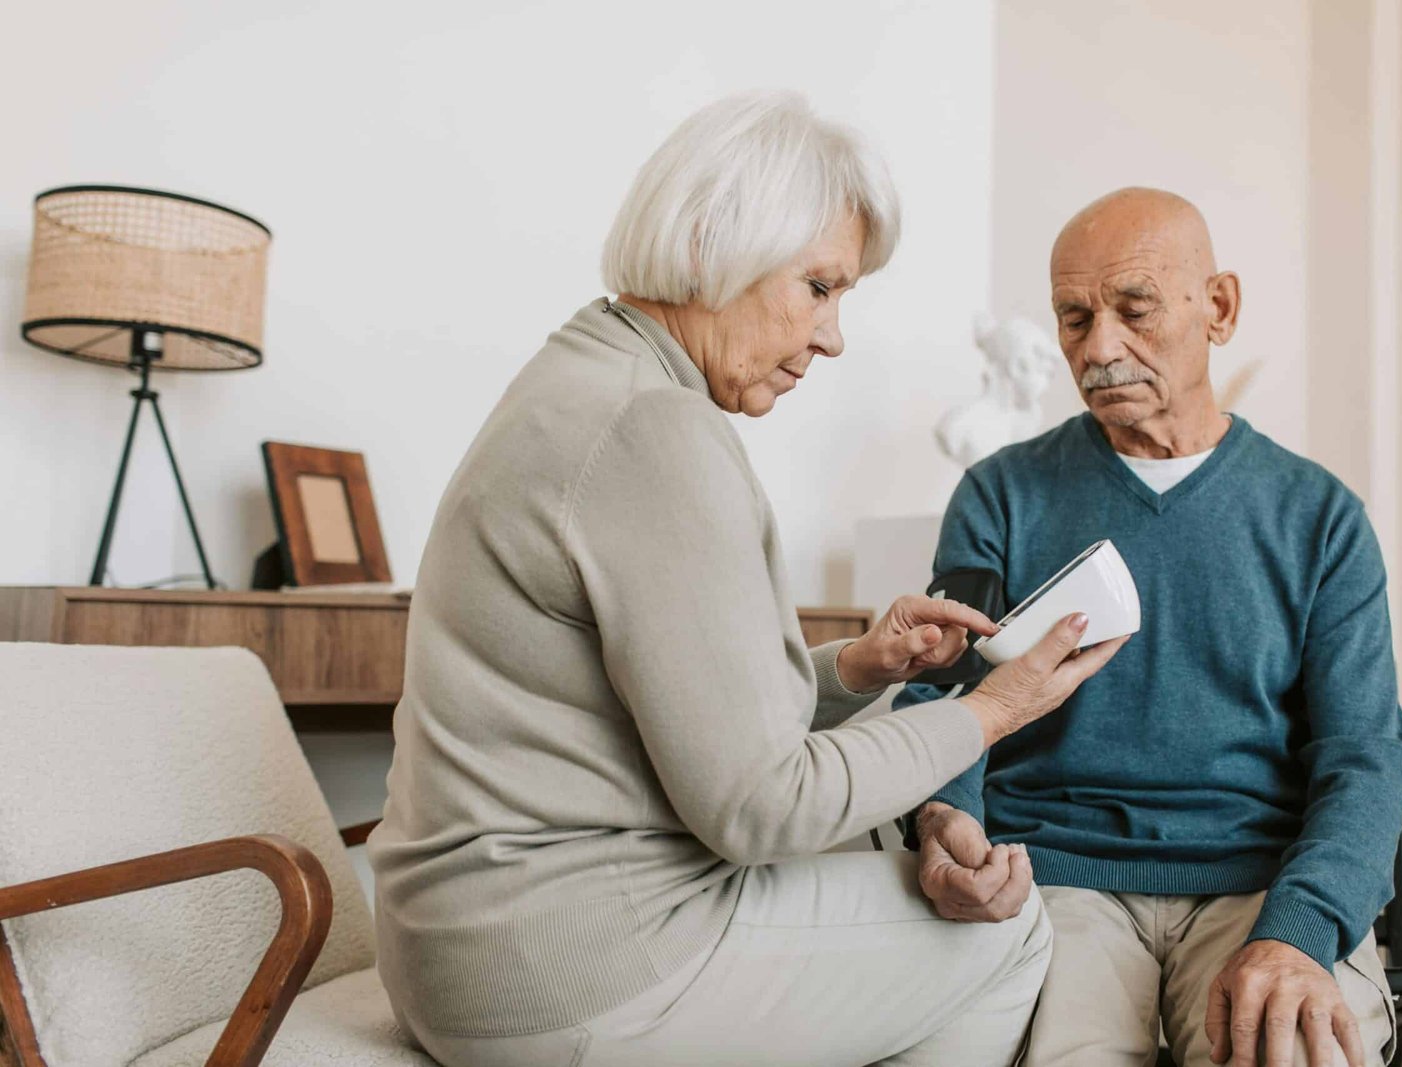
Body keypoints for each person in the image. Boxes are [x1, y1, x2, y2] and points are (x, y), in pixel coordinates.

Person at [367, 92, 1127, 1067]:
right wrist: (993, 707)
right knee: (1005, 931)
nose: (834, 334)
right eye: (818, 286)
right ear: (707, 245)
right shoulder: (657, 429)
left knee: (884, 852)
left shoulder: (587, 373)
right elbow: (760, 807)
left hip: (470, 944)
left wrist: (852, 664)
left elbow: (680, 699)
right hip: (561, 968)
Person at [898, 188, 1402, 1067]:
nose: (1099, 348)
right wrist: (945, 814)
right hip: (1058, 878)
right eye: (1073, 319)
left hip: (1259, 884)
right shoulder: (999, 495)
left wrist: (1299, 931)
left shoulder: (1320, 517)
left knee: (1293, 1051)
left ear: (1218, 308)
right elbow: (944, 691)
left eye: (1133, 309)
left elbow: (1366, 753)